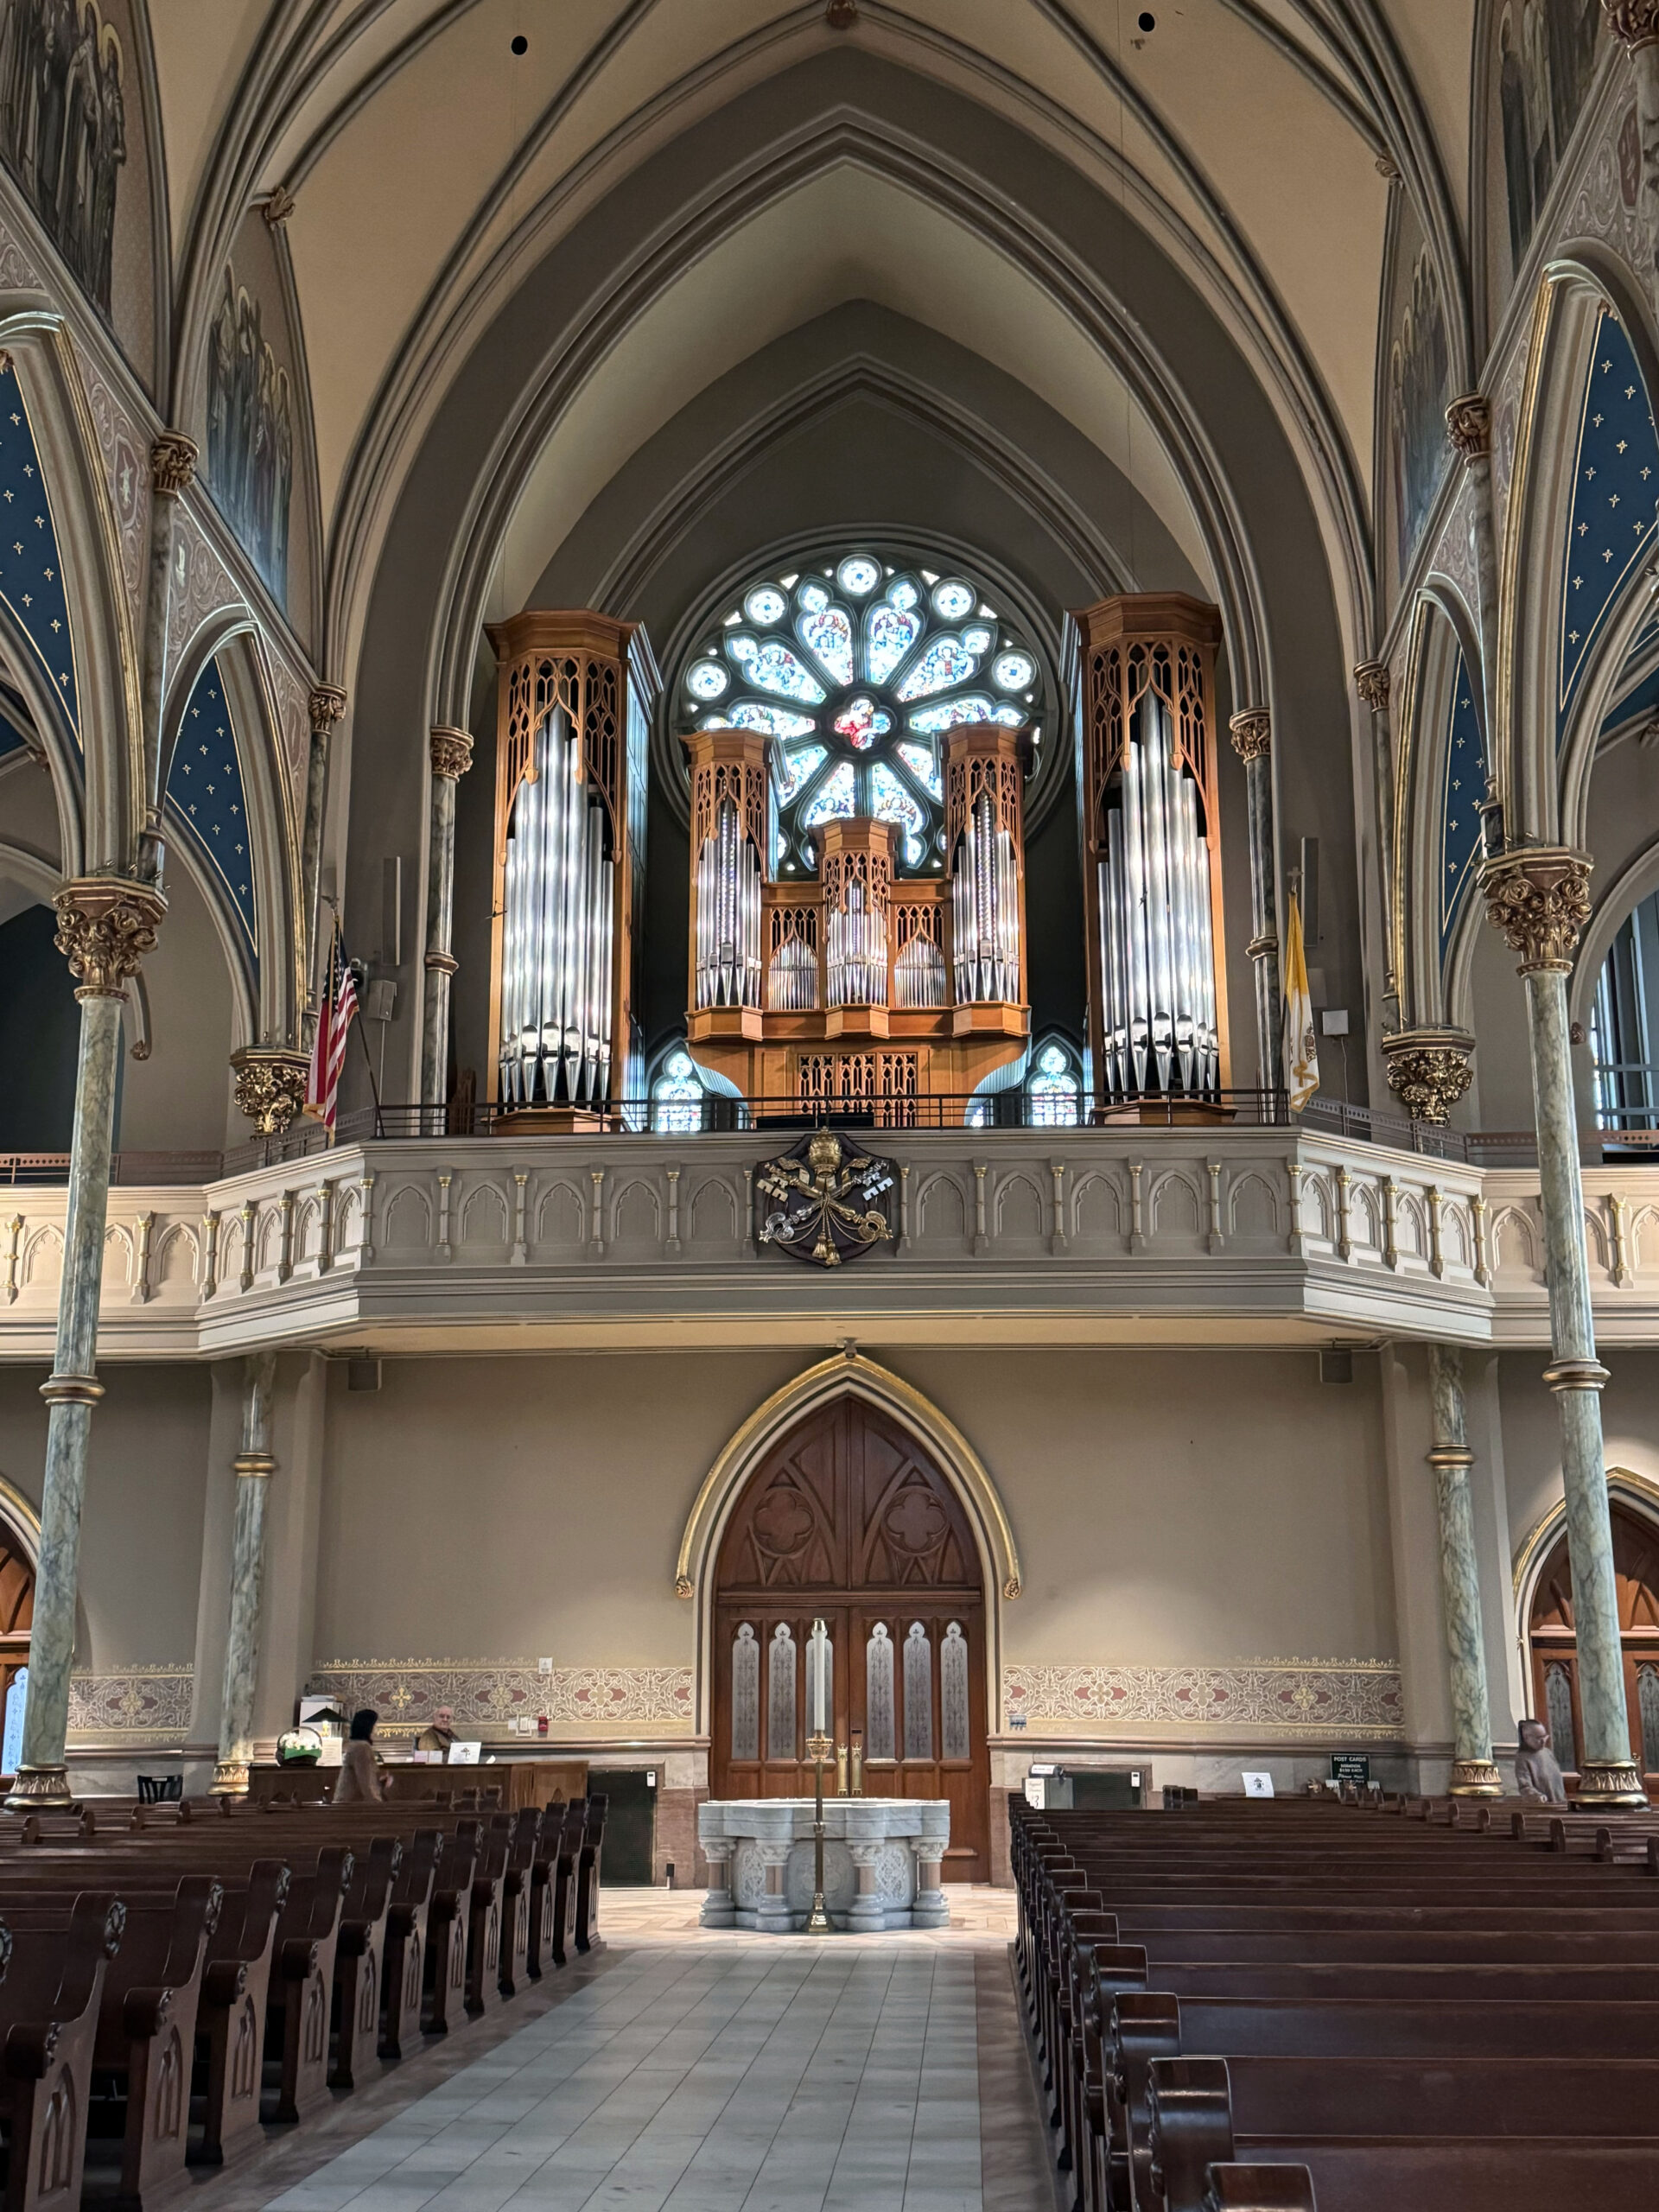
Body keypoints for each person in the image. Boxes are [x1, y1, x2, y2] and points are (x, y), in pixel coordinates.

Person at [332, 1708, 388, 1804]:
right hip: (354, 1806)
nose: (376, 1729)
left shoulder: (356, 1745)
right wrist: (376, 1802)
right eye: (375, 1725)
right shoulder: (362, 1748)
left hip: (348, 1803)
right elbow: (365, 1781)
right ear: (368, 1726)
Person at [1515, 1716, 1567, 1804]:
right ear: (1526, 1737)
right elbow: (1525, 1786)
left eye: (1544, 1736)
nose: (1543, 1741)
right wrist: (1537, 1797)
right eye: (1539, 1738)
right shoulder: (1522, 1758)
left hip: (1560, 1804)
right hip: (1543, 1807)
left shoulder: (1548, 1753)